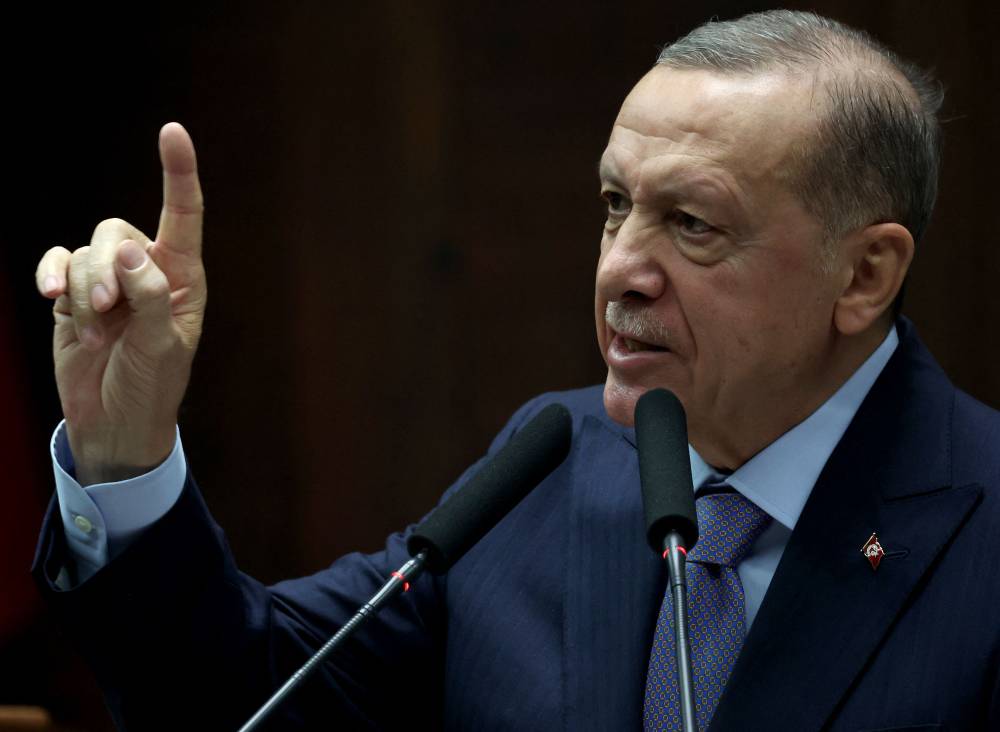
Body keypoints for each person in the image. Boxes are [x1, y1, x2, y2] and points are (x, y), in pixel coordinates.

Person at [31, 9, 1000, 731]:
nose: (621, 267)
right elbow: (244, 696)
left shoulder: (979, 522)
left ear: (863, 274)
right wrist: (126, 452)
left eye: (692, 223)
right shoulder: (553, 463)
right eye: (616, 205)